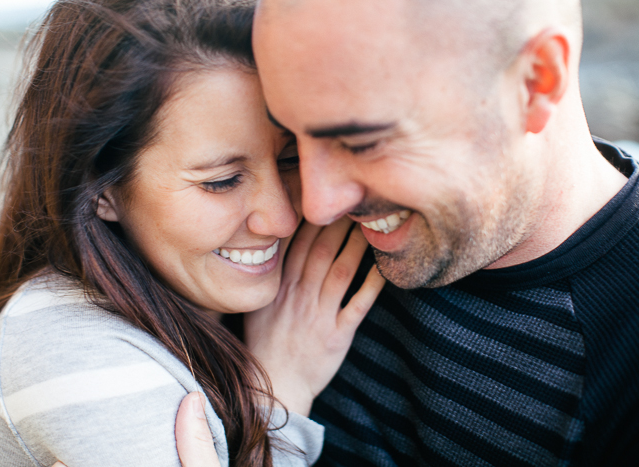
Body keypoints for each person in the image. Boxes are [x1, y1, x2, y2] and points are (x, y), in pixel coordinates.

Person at [176, 0, 639, 465]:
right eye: (293, 145)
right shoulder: (264, 236)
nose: (315, 206)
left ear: (537, 81)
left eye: (362, 143)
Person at [0, 0, 384, 466]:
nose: (283, 219)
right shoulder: (83, 364)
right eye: (221, 181)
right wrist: (281, 394)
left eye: (289, 160)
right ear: (101, 188)